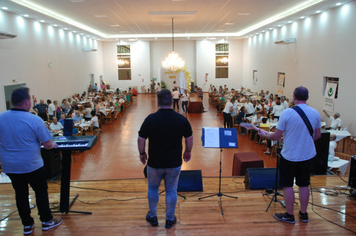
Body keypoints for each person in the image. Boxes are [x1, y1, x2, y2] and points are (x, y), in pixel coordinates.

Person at [0, 87, 62, 234]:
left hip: (10, 166)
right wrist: (52, 144)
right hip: (31, 164)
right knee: (40, 192)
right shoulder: (34, 119)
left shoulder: (1, 117)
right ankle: (46, 221)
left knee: (20, 194)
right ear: (27, 102)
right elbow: (47, 144)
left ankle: (27, 225)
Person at [258, 86, 321, 224]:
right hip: (307, 155)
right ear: (307, 97)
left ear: (294, 97)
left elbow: (277, 135)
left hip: (290, 155)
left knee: (287, 185)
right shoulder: (315, 113)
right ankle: (304, 215)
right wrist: (304, 141)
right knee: (304, 185)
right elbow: (317, 135)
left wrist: (265, 135)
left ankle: (289, 215)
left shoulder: (287, 113)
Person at [137, 89, 193, 229]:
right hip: (174, 163)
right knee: (172, 190)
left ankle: (153, 216)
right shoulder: (181, 119)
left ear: (158, 102)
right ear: (172, 101)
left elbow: (141, 138)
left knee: (153, 188)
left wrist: (142, 153)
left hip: (155, 163)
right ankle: (169, 219)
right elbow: (189, 137)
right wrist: (188, 151)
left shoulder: (150, 119)